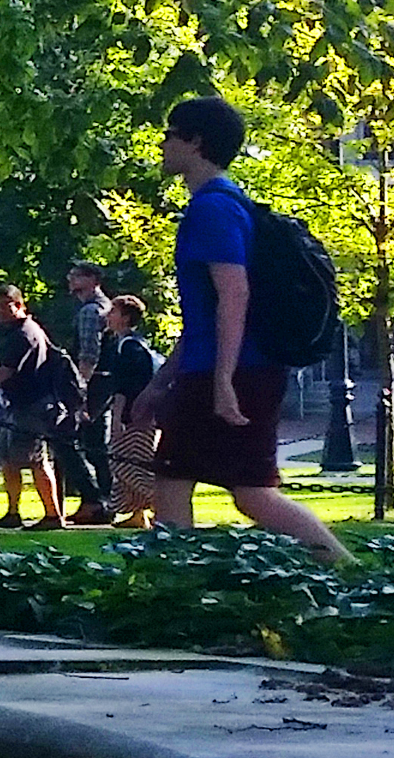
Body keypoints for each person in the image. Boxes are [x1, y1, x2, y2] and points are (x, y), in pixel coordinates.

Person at [139, 96, 349, 560]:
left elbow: (234, 296)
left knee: (196, 485)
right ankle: (345, 569)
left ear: (195, 143)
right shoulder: (229, 205)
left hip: (231, 372)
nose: (163, 144)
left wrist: (222, 383)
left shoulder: (212, 209)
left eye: (171, 134)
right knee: (236, 489)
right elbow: (204, 315)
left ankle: (172, 585)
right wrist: (161, 382)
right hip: (228, 369)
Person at [0, 283, 71, 531]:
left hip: (35, 404)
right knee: (7, 459)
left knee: (35, 460)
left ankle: (53, 516)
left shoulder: (24, 334)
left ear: (19, 305)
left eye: (4, 305)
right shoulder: (14, 333)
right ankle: (12, 511)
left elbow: (5, 372)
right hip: (18, 404)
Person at [98, 293, 163, 532]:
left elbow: (126, 386)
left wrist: (118, 416)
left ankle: (160, 504)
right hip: (141, 415)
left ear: (125, 317)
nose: (108, 316)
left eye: (113, 312)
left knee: (126, 462)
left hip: (135, 417)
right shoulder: (128, 344)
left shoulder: (130, 348)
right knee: (127, 460)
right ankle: (137, 513)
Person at [57, 262, 116, 523]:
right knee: (96, 445)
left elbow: (89, 354)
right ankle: (105, 502)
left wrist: (80, 389)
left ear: (92, 279)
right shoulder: (107, 306)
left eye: (77, 276)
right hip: (107, 383)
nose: (70, 280)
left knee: (65, 438)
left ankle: (93, 500)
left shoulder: (91, 311)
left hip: (93, 382)